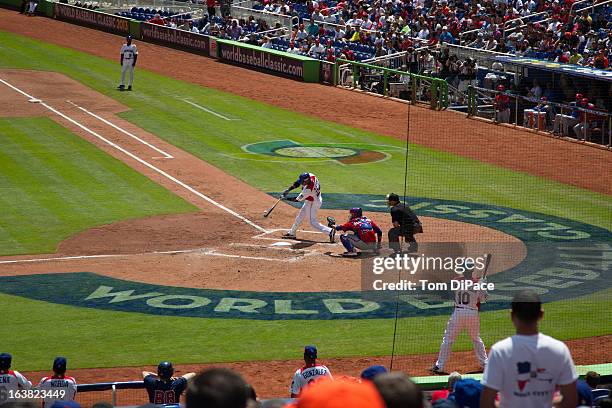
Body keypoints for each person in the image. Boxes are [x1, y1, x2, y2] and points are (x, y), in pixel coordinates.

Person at [480, 290, 578, 408]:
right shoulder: (559, 349)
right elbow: (571, 401)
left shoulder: (499, 351)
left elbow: (486, 403)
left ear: (512, 315)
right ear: (541, 314)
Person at [431, 262, 488, 375]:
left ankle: (439, 366)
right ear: (472, 270)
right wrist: (483, 285)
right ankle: (485, 364)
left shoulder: (456, 281)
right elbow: (483, 299)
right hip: (472, 313)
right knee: (476, 338)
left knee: (448, 339)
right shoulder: (477, 283)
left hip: (459, 312)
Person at [280, 173, 335, 243]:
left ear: (307, 180)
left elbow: (297, 199)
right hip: (311, 199)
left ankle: (330, 231)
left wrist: (285, 198)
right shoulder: (311, 176)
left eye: (303, 182)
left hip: (314, 203)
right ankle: (292, 233)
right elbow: (297, 183)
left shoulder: (308, 189)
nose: (302, 183)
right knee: (300, 216)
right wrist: (288, 189)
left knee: (312, 222)